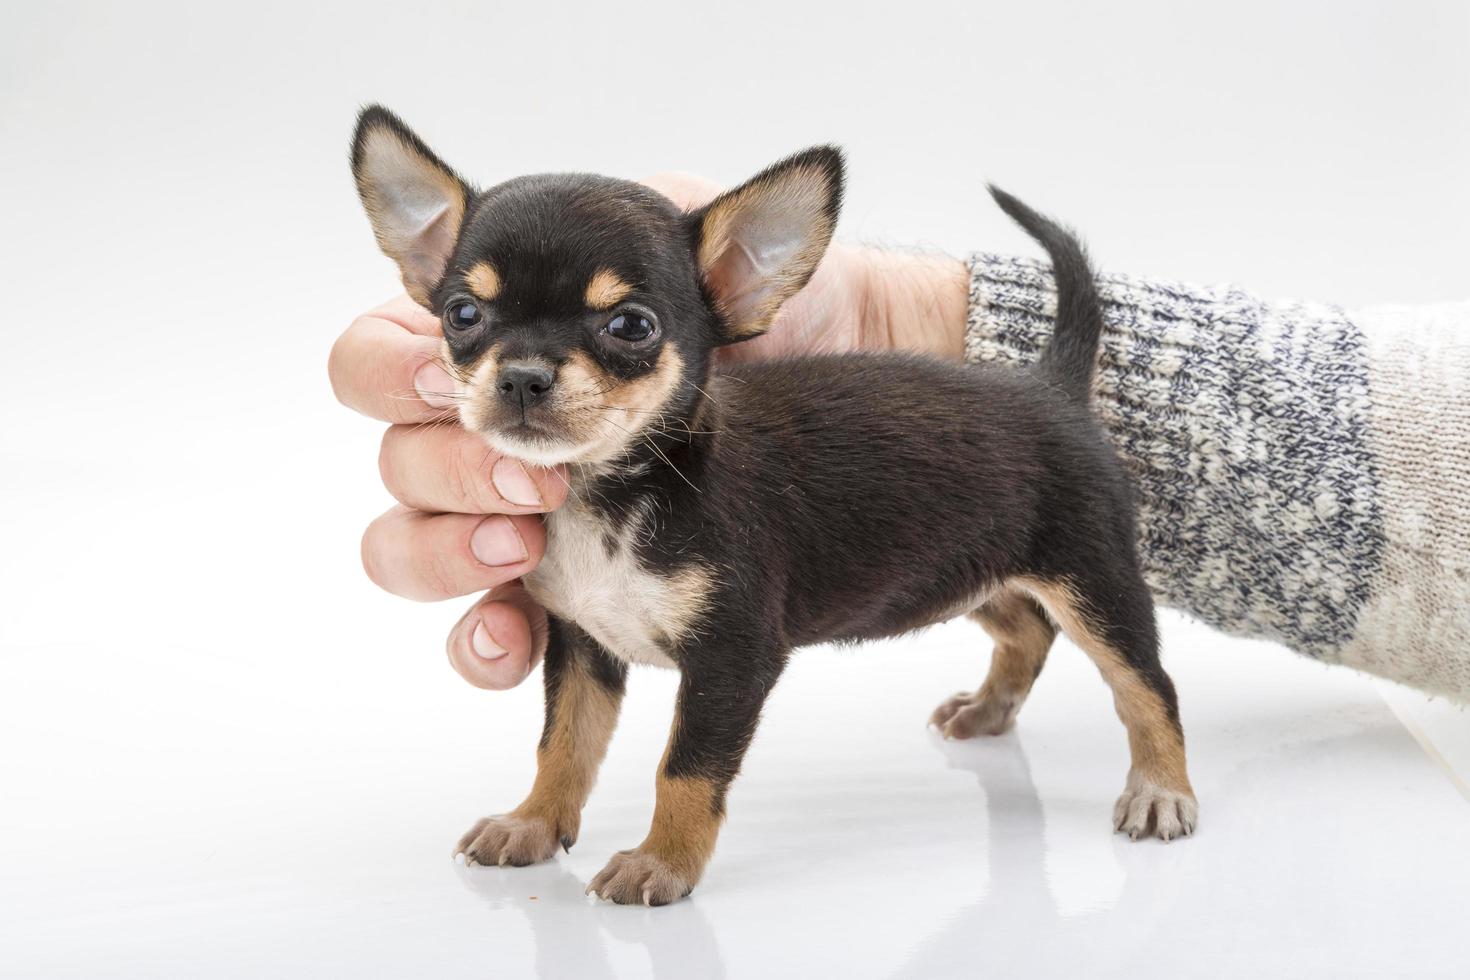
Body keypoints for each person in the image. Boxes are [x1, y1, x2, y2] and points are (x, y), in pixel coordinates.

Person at [329, 173, 1470, 703]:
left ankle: (1154, 736)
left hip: (1018, 459)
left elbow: (740, 655)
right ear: (428, 276)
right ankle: (1012, 658)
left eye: (625, 327)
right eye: (468, 320)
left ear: (739, 285)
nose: (525, 370)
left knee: (1104, 634)